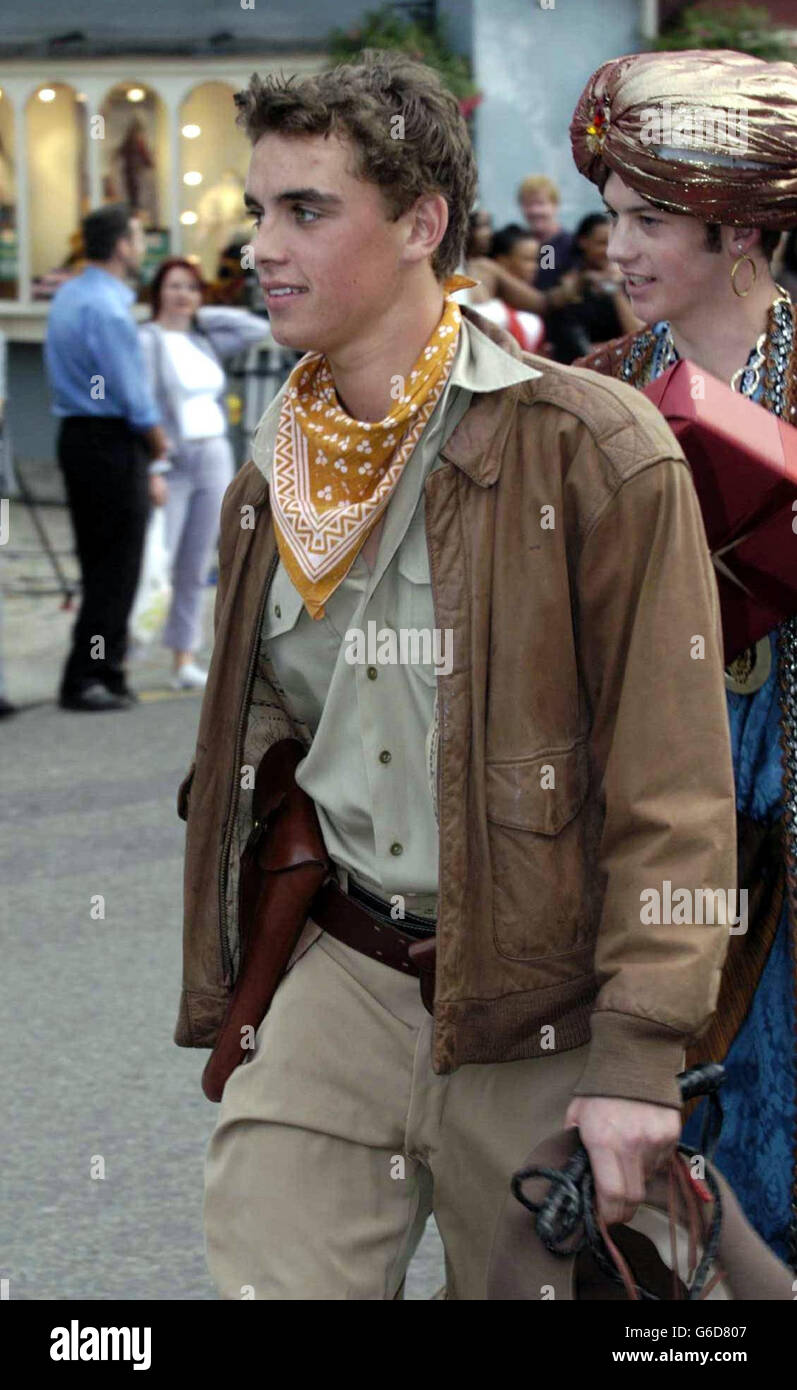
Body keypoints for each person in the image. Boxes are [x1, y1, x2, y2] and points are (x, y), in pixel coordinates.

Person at [175, 51, 735, 1300]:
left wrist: (640, 1057)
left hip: (546, 1007)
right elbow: (266, 737)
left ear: (421, 223)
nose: (260, 244)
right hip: (338, 970)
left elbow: (674, 783)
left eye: (305, 210)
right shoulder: (273, 475)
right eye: (255, 208)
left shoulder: (591, 449)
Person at [570, 47, 797, 1267]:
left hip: (786, 835)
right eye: (612, 216)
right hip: (655, 846)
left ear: (740, 229)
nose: (619, 245)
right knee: (660, 1199)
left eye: (651, 218)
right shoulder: (597, 392)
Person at [45, 204, 169, 712]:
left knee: (100, 561)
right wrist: (158, 444)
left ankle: (101, 670)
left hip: (77, 436)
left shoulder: (69, 295)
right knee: (118, 565)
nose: (141, 249)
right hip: (112, 440)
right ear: (120, 246)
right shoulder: (110, 308)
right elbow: (132, 393)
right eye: (138, 239)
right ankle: (92, 675)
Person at [139, 257, 269, 689]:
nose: (183, 296)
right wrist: (152, 466)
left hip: (213, 456)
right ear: (157, 291)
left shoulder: (205, 339)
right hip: (172, 462)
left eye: (191, 288)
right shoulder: (146, 340)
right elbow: (140, 409)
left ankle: (183, 658)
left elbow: (257, 328)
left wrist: (203, 311)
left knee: (196, 564)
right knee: (160, 556)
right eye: (174, 287)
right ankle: (123, 650)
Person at [546, 212, 640, 363]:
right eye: (602, 243)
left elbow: (638, 333)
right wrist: (582, 282)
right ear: (583, 242)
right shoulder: (566, 279)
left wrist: (614, 289)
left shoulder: (629, 282)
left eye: (613, 243)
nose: (609, 251)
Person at [467, 224, 545, 352]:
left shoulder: (527, 311)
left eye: (536, 260)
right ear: (502, 261)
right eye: (528, 260)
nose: (534, 267)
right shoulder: (489, 311)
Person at [516, 174, 575, 290]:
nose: (535, 211)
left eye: (540, 204)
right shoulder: (516, 244)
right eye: (528, 204)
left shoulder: (572, 245)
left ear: (555, 205)